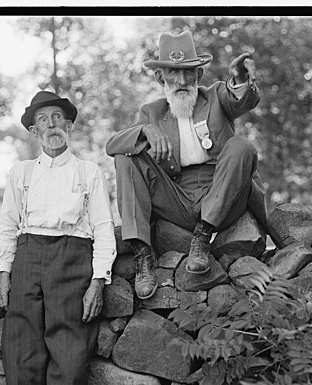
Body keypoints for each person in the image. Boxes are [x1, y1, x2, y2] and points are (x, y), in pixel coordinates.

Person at [0, 90, 116, 385]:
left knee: (69, 353)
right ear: (34, 131)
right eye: (43, 120)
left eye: (57, 118)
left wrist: (98, 280)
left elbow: (104, 227)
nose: (51, 125)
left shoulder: (89, 173)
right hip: (29, 257)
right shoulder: (21, 174)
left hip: (72, 257)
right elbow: (8, 225)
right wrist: (3, 271)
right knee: (22, 353)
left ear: (70, 125)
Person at [106, 30, 268, 300]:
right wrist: (146, 130)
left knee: (242, 146)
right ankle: (143, 257)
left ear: (199, 76)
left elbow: (242, 99)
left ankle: (202, 238)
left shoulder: (216, 96)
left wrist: (240, 79)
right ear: (161, 78)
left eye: (188, 72)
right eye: (173, 72)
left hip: (223, 193)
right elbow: (112, 145)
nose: (181, 80)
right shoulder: (152, 112)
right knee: (126, 157)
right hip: (177, 199)